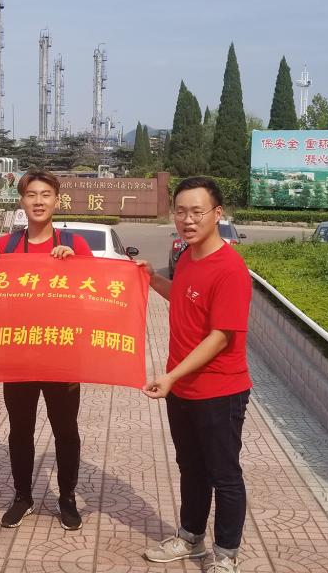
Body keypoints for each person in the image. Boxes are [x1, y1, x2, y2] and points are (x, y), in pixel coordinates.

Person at [137, 177, 252, 573]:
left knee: (224, 475)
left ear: (217, 214)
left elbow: (221, 337)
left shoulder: (231, 269)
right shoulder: (187, 257)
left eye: (197, 212)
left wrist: (170, 376)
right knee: (191, 467)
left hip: (220, 391)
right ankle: (190, 537)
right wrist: (152, 278)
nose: (187, 220)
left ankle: (225, 555)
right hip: (183, 389)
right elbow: (184, 298)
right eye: (181, 211)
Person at [0, 169, 93, 531]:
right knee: (20, 430)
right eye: (31, 194)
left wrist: (76, 265)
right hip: (17, 355)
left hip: (62, 355)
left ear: (57, 201)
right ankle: (22, 497)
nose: (38, 201)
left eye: (45, 195)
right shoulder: (5, 246)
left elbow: (95, 294)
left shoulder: (74, 244)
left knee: (66, 431)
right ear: (21, 201)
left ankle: (67, 498)